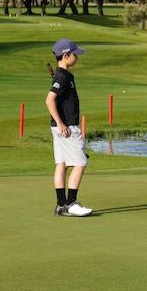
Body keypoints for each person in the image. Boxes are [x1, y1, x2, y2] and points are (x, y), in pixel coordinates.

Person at [46, 38, 92, 217]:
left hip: (60, 127)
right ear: (66, 55)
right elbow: (49, 99)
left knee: (62, 164)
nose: (77, 57)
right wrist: (61, 123)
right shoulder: (62, 77)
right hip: (66, 128)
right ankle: (71, 203)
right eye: (75, 54)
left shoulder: (64, 76)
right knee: (80, 163)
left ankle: (61, 205)